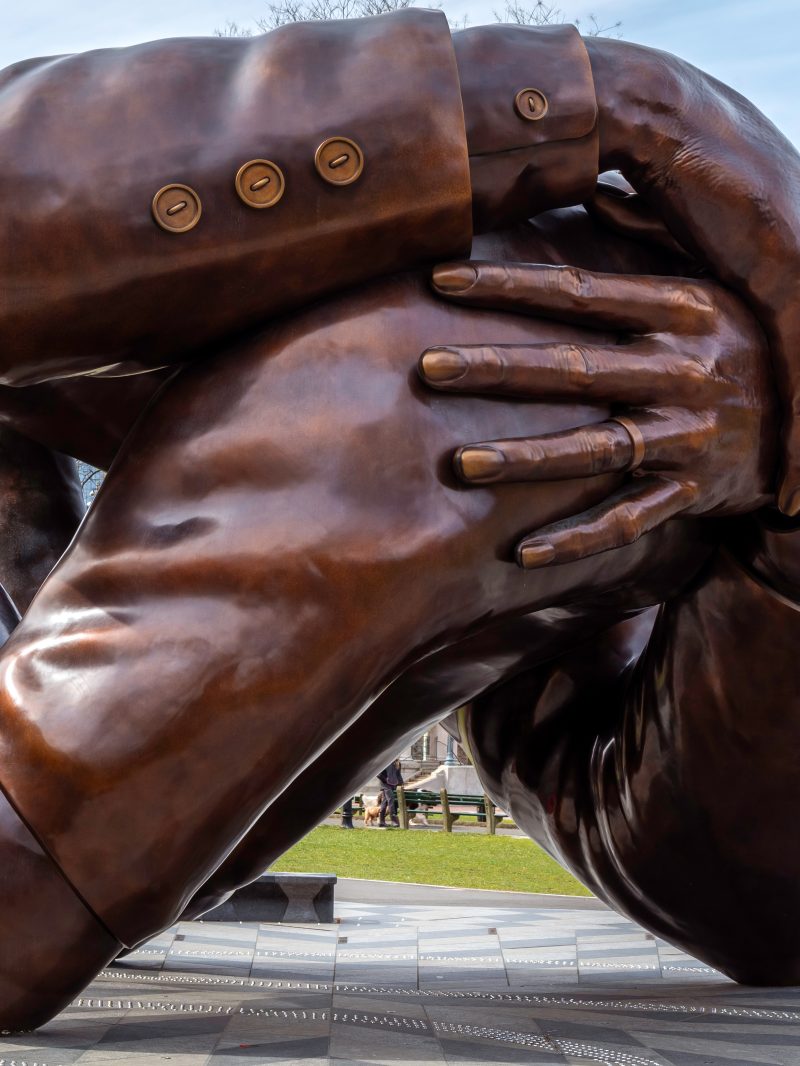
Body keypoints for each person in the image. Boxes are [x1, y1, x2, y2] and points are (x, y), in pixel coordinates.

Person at [1, 13, 800, 1032]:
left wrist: (780, 482)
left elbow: (739, 905)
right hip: (472, 389)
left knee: (440, 384)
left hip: (487, 383)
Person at [377, 759, 404, 828]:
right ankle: (393, 820)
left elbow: (398, 775)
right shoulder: (385, 762)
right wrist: (386, 780)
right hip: (385, 785)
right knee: (391, 800)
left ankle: (381, 821)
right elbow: (378, 774)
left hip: (393, 784)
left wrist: (401, 783)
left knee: (385, 802)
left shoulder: (397, 763)